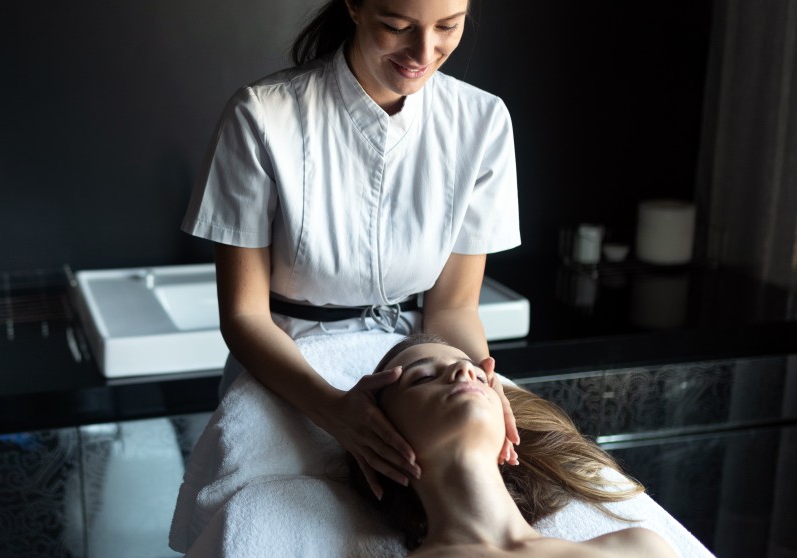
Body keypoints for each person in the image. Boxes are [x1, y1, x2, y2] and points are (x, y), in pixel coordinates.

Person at [180, 0, 522, 499]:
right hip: (289, 370)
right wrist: (334, 410)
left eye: (448, 26)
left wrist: (483, 389)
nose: (424, 51)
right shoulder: (262, 115)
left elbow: (452, 308)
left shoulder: (482, 121)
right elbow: (244, 316)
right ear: (355, 7)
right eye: (397, 26)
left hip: (416, 367)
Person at [345, 333, 680, 557]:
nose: (464, 369)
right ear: (378, 438)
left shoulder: (640, 549)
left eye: (478, 374)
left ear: (508, 438)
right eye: (422, 377)